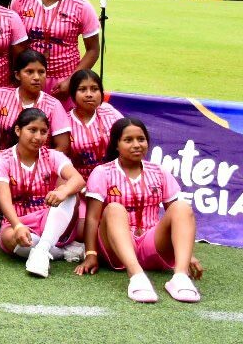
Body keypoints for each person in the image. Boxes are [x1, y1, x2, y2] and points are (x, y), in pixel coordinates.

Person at [75, 118, 203, 303]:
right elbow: (93, 218)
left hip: (152, 244)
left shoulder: (159, 172)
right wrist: (91, 254)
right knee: (114, 209)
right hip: (117, 247)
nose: (136, 145)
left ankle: (180, 277)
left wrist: (187, 254)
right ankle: (136, 277)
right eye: (128, 140)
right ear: (116, 144)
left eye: (141, 139)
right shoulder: (102, 172)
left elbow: (176, 216)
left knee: (182, 207)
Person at [0, 107, 86, 277]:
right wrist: (18, 225)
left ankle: (41, 250)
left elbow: (78, 180)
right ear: (18, 130)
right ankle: (59, 252)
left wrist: (63, 192)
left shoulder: (52, 155)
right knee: (9, 239)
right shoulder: (2, 159)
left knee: (70, 191)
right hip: (18, 220)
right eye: (32, 130)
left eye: (43, 132)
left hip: (50, 218)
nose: (38, 137)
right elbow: (4, 199)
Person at [11, 0, 101, 103]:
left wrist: (72, 81)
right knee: (30, 124)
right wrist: (18, 75)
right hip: (29, 78)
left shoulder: (81, 6)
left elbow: (93, 50)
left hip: (64, 81)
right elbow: (13, 43)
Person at [0, 50, 71, 151]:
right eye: (29, 72)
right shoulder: (1, 95)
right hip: (4, 161)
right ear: (17, 75)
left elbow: (62, 146)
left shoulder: (53, 105)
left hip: (40, 163)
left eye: (41, 72)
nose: (36, 77)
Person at [64, 69, 122, 179]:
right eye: (82, 89)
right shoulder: (65, 121)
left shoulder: (110, 112)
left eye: (94, 89)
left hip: (114, 178)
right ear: (73, 94)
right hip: (79, 182)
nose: (89, 94)